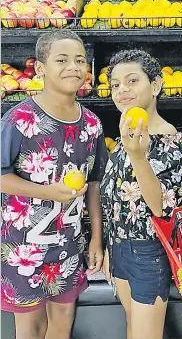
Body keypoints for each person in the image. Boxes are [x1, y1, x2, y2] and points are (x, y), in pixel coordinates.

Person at [1, 30, 107, 339]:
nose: (73, 67)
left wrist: (96, 239)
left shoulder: (91, 124)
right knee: (30, 328)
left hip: (69, 243)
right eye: (62, 60)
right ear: (40, 68)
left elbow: (95, 184)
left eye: (79, 60)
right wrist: (48, 192)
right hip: (24, 247)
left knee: (63, 319)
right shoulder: (19, 119)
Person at [100, 49, 182, 339]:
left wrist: (138, 157)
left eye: (132, 81)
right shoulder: (127, 132)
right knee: (132, 328)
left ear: (155, 86)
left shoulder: (170, 144)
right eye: (115, 84)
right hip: (119, 250)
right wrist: (109, 247)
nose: (122, 90)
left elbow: (160, 207)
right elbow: (115, 198)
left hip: (147, 254)